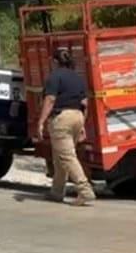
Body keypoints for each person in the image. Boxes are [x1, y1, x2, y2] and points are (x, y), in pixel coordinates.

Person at [37, 48, 96, 206]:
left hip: (62, 118)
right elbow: (85, 103)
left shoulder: (54, 77)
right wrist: (82, 124)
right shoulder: (78, 78)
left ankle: (85, 190)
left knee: (67, 156)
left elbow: (50, 99)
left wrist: (41, 121)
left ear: (55, 62)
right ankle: (57, 192)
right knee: (59, 156)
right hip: (77, 116)